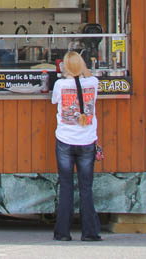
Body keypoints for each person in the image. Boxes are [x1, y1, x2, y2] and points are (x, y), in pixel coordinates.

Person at [50, 51, 101, 242]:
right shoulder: (93, 83)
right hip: (87, 141)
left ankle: (63, 232)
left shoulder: (60, 85)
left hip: (65, 140)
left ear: (65, 67)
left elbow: (54, 100)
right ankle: (90, 232)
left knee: (66, 186)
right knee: (86, 187)